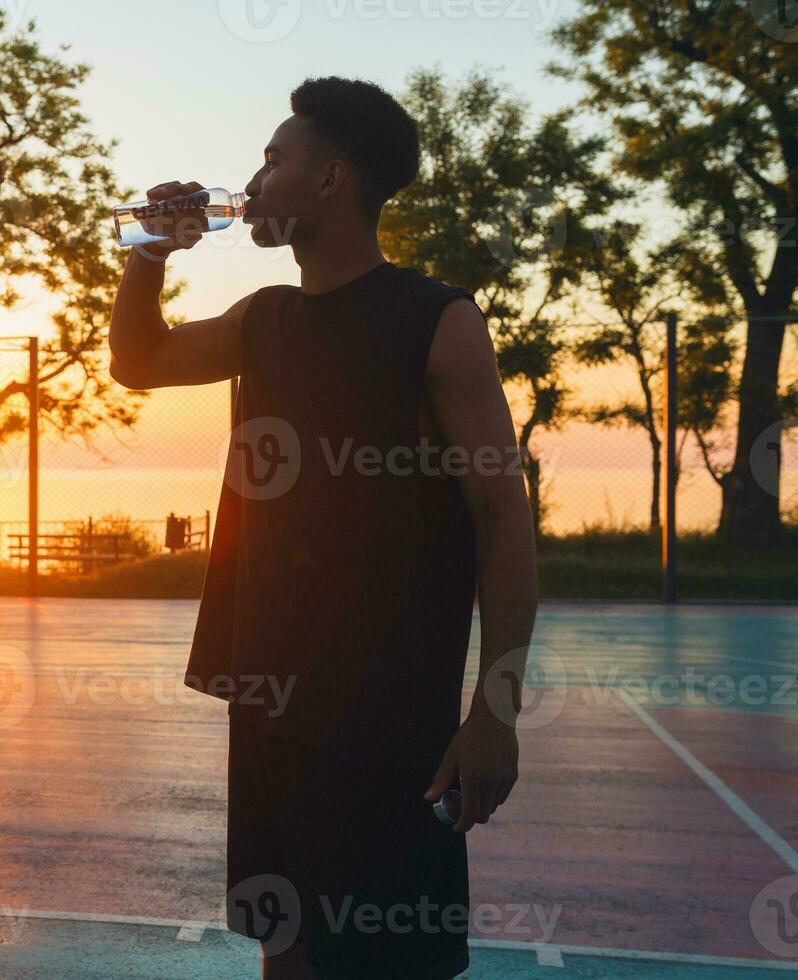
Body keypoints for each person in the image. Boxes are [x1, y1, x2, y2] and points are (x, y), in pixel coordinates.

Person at [108, 76, 539, 979]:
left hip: (390, 713)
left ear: (330, 180)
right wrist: (147, 247)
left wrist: (493, 711)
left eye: (273, 159)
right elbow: (139, 361)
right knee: (289, 950)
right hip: (269, 701)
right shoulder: (265, 320)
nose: (254, 181)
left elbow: (503, 517)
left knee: (391, 961)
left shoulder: (436, 319)